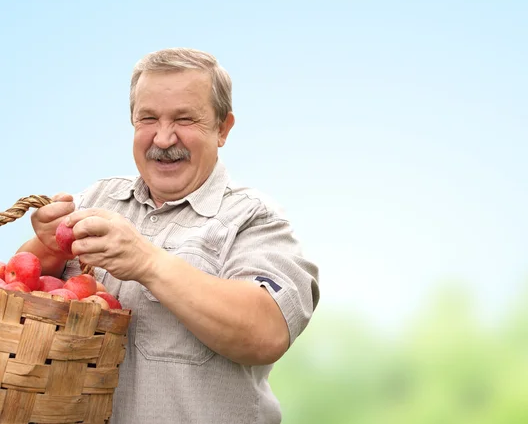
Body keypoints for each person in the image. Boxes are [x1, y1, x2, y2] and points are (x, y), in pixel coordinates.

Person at [17, 47, 320, 424]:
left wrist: (147, 263)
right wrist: (47, 246)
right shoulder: (95, 199)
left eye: (184, 119)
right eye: (148, 118)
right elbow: (21, 300)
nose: (162, 138)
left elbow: (266, 332)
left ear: (223, 129)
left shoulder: (255, 218)